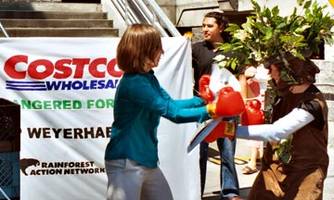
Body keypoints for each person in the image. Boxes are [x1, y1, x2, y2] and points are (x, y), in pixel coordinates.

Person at [104, 24, 245, 200]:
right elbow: (173, 113)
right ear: (145, 50)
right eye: (157, 48)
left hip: (145, 159)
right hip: (126, 161)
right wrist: (213, 109)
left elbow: (171, 104)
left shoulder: (147, 78)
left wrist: (202, 100)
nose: (161, 53)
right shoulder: (135, 83)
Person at [209, 55, 328, 199]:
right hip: (273, 170)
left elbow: (277, 131)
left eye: (272, 69)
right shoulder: (281, 96)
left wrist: (227, 129)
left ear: (288, 72)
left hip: (305, 175)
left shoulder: (313, 103)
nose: (269, 74)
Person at [192, 11, 243, 200]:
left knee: (228, 152)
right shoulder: (196, 49)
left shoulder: (235, 50)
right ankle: (196, 192)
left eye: (209, 26)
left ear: (221, 27)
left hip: (228, 112)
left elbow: (242, 77)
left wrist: (242, 105)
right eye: (203, 25)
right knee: (199, 154)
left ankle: (230, 192)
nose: (204, 29)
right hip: (203, 110)